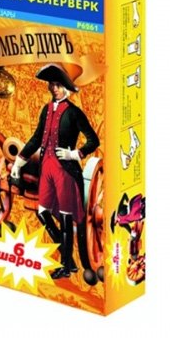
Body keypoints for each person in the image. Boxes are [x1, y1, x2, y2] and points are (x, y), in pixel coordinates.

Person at [11, 64, 99, 279]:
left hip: (65, 171)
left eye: (58, 85)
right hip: (47, 168)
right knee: (42, 212)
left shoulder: (74, 112)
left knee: (66, 218)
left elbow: (93, 140)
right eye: (52, 85)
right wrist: (19, 162)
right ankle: (69, 259)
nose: (54, 89)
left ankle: (66, 267)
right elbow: (36, 138)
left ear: (66, 88)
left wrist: (74, 154)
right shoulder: (46, 109)